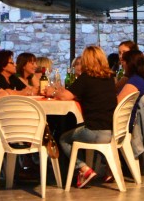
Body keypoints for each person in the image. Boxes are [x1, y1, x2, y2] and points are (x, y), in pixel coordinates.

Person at [50, 46, 118, 188]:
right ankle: (83, 170)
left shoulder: (86, 78)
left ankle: (83, 168)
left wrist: (53, 92)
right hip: (110, 131)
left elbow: (65, 96)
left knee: (63, 138)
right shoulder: (109, 78)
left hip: (94, 131)